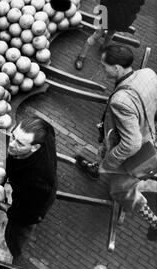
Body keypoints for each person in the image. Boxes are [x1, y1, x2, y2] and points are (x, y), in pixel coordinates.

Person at [76, 45, 157, 240]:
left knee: (121, 191)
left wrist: (108, 164)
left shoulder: (120, 100)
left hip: (138, 155)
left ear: (118, 68)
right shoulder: (148, 73)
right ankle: (99, 167)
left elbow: (131, 144)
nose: (102, 69)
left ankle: (154, 221)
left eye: (105, 66)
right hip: (151, 136)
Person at [0, 116, 58, 264]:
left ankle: (16, 253)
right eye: (13, 136)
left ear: (35, 147)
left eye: (20, 144)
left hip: (34, 206)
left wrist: (6, 208)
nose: (11, 145)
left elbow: (28, 215)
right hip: (34, 189)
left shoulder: (36, 181)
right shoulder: (45, 132)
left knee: (15, 232)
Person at [74, 0, 145, 70]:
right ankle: (81, 56)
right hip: (108, 14)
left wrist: (127, 19)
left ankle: (104, 46)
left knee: (110, 34)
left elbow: (136, 7)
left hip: (120, 18)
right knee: (96, 35)